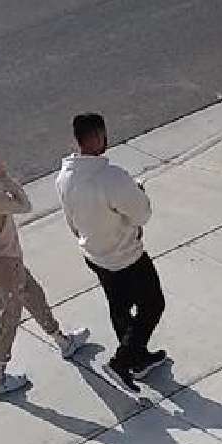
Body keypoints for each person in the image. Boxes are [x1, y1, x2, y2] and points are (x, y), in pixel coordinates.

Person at [0, 135, 89, 398]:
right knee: (10, 316)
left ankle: (62, 340)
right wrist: (3, 176)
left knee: (34, 295)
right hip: (4, 263)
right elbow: (24, 205)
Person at [56, 113, 167, 394]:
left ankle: (137, 360)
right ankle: (122, 362)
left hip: (94, 255)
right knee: (153, 304)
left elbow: (71, 220)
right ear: (96, 137)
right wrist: (137, 192)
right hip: (126, 256)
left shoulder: (64, 178)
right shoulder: (111, 177)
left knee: (119, 306)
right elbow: (142, 213)